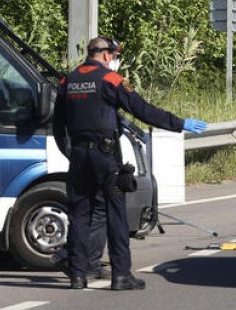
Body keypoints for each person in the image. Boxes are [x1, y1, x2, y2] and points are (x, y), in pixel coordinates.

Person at [52, 36, 207, 291]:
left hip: (79, 157)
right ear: (105, 55)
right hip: (105, 157)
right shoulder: (110, 80)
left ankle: (77, 275)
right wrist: (179, 124)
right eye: (113, 56)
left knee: (79, 215)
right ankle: (121, 275)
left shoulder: (67, 81)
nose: (113, 60)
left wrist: (70, 153)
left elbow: (58, 126)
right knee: (116, 214)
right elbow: (143, 110)